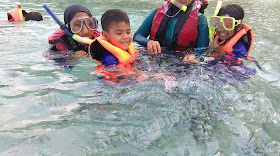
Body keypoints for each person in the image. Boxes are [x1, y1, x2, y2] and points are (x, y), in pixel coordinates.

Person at [183, 4, 255, 66]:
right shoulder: (218, 38)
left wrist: (216, 49)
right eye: (217, 23)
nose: (220, 29)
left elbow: (233, 62)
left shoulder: (240, 47)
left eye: (227, 25)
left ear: (238, 27)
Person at [133, 0, 209, 54]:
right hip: (155, 58)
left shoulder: (200, 19)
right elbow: (137, 36)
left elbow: (202, 48)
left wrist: (194, 55)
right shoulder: (158, 12)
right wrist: (148, 42)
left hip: (182, 63)